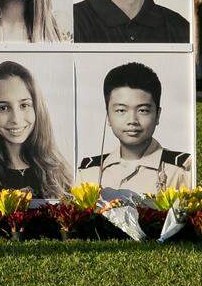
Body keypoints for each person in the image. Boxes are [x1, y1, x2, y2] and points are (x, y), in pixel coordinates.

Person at [0, 60, 72, 198]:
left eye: (24, 105)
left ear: (37, 108)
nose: (16, 119)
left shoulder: (60, 172)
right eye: (3, 108)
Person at [78, 62, 191, 193]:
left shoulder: (181, 170)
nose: (132, 121)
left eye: (142, 110)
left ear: (157, 115)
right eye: (121, 110)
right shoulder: (89, 172)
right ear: (108, 116)